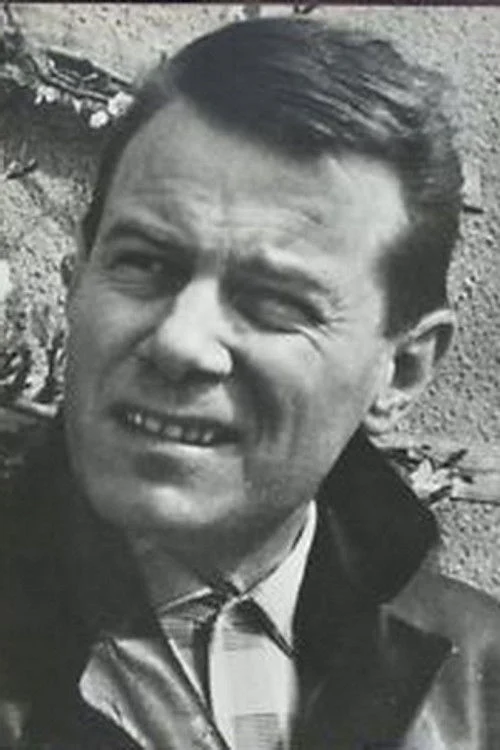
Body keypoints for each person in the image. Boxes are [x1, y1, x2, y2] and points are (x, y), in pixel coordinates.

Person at [1, 16, 499, 750]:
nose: (180, 341)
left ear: (403, 368)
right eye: (144, 264)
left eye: (273, 302)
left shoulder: (481, 684)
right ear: (77, 283)